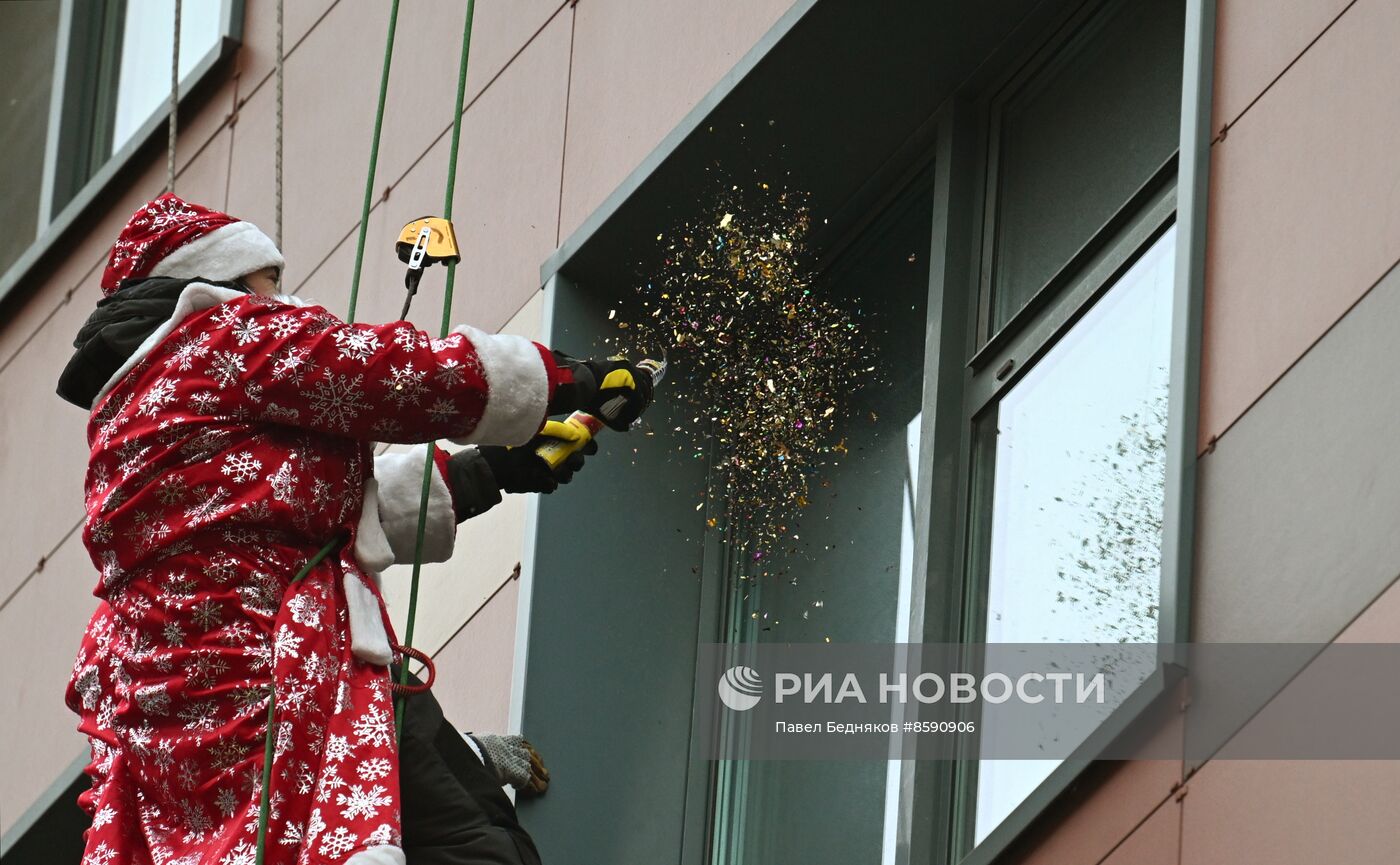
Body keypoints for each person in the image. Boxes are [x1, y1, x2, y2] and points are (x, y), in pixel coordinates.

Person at [57, 194, 654, 865]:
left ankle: (452, 764)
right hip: (294, 679)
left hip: (231, 738)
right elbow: (387, 374)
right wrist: (564, 380)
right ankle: (447, 769)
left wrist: (490, 472)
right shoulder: (223, 341)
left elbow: (283, 518)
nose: (278, 296)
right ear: (215, 281)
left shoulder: (131, 423)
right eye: (268, 280)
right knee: (479, 850)